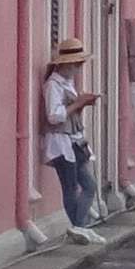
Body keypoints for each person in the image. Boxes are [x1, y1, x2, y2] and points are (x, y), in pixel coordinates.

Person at [40, 42, 94, 230]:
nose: (78, 68)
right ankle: (79, 226)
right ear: (66, 64)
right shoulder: (53, 85)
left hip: (74, 140)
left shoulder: (66, 83)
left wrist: (82, 102)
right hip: (60, 142)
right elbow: (54, 116)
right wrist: (78, 103)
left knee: (89, 185)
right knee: (71, 187)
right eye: (76, 64)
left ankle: (80, 225)